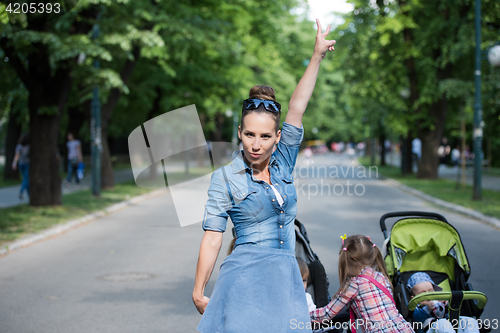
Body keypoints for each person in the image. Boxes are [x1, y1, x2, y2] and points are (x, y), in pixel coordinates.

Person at [192, 19, 336, 333]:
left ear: (277, 136)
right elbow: (214, 236)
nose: (256, 145)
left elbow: (297, 107)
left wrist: (317, 57)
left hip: (285, 280)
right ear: (240, 132)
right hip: (243, 280)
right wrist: (198, 288)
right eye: (249, 135)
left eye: (265, 136)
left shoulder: (284, 162)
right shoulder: (225, 178)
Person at [310, 235, 414, 333]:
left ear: (347, 260)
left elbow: (326, 314)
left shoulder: (354, 284)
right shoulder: (381, 277)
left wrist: (302, 314)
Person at [407, 272, 480, 333]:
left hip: (451, 325)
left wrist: (447, 303)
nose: (428, 295)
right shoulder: (416, 306)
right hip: (431, 329)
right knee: (442, 323)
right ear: (414, 298)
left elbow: (453, 312)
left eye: (430, 291)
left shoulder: (439, 299)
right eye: (423, 293)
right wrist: (427, 309)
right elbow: (416, 319)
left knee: (470, 321)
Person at [11, 134, 30, 200]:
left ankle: (29, 195)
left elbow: (17, 156)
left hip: (21, 164)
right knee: (26, 179)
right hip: (27, 164)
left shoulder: (19, 146)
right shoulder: (29, 146)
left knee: (26, 179)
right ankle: (21, 192)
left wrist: (14, 163)